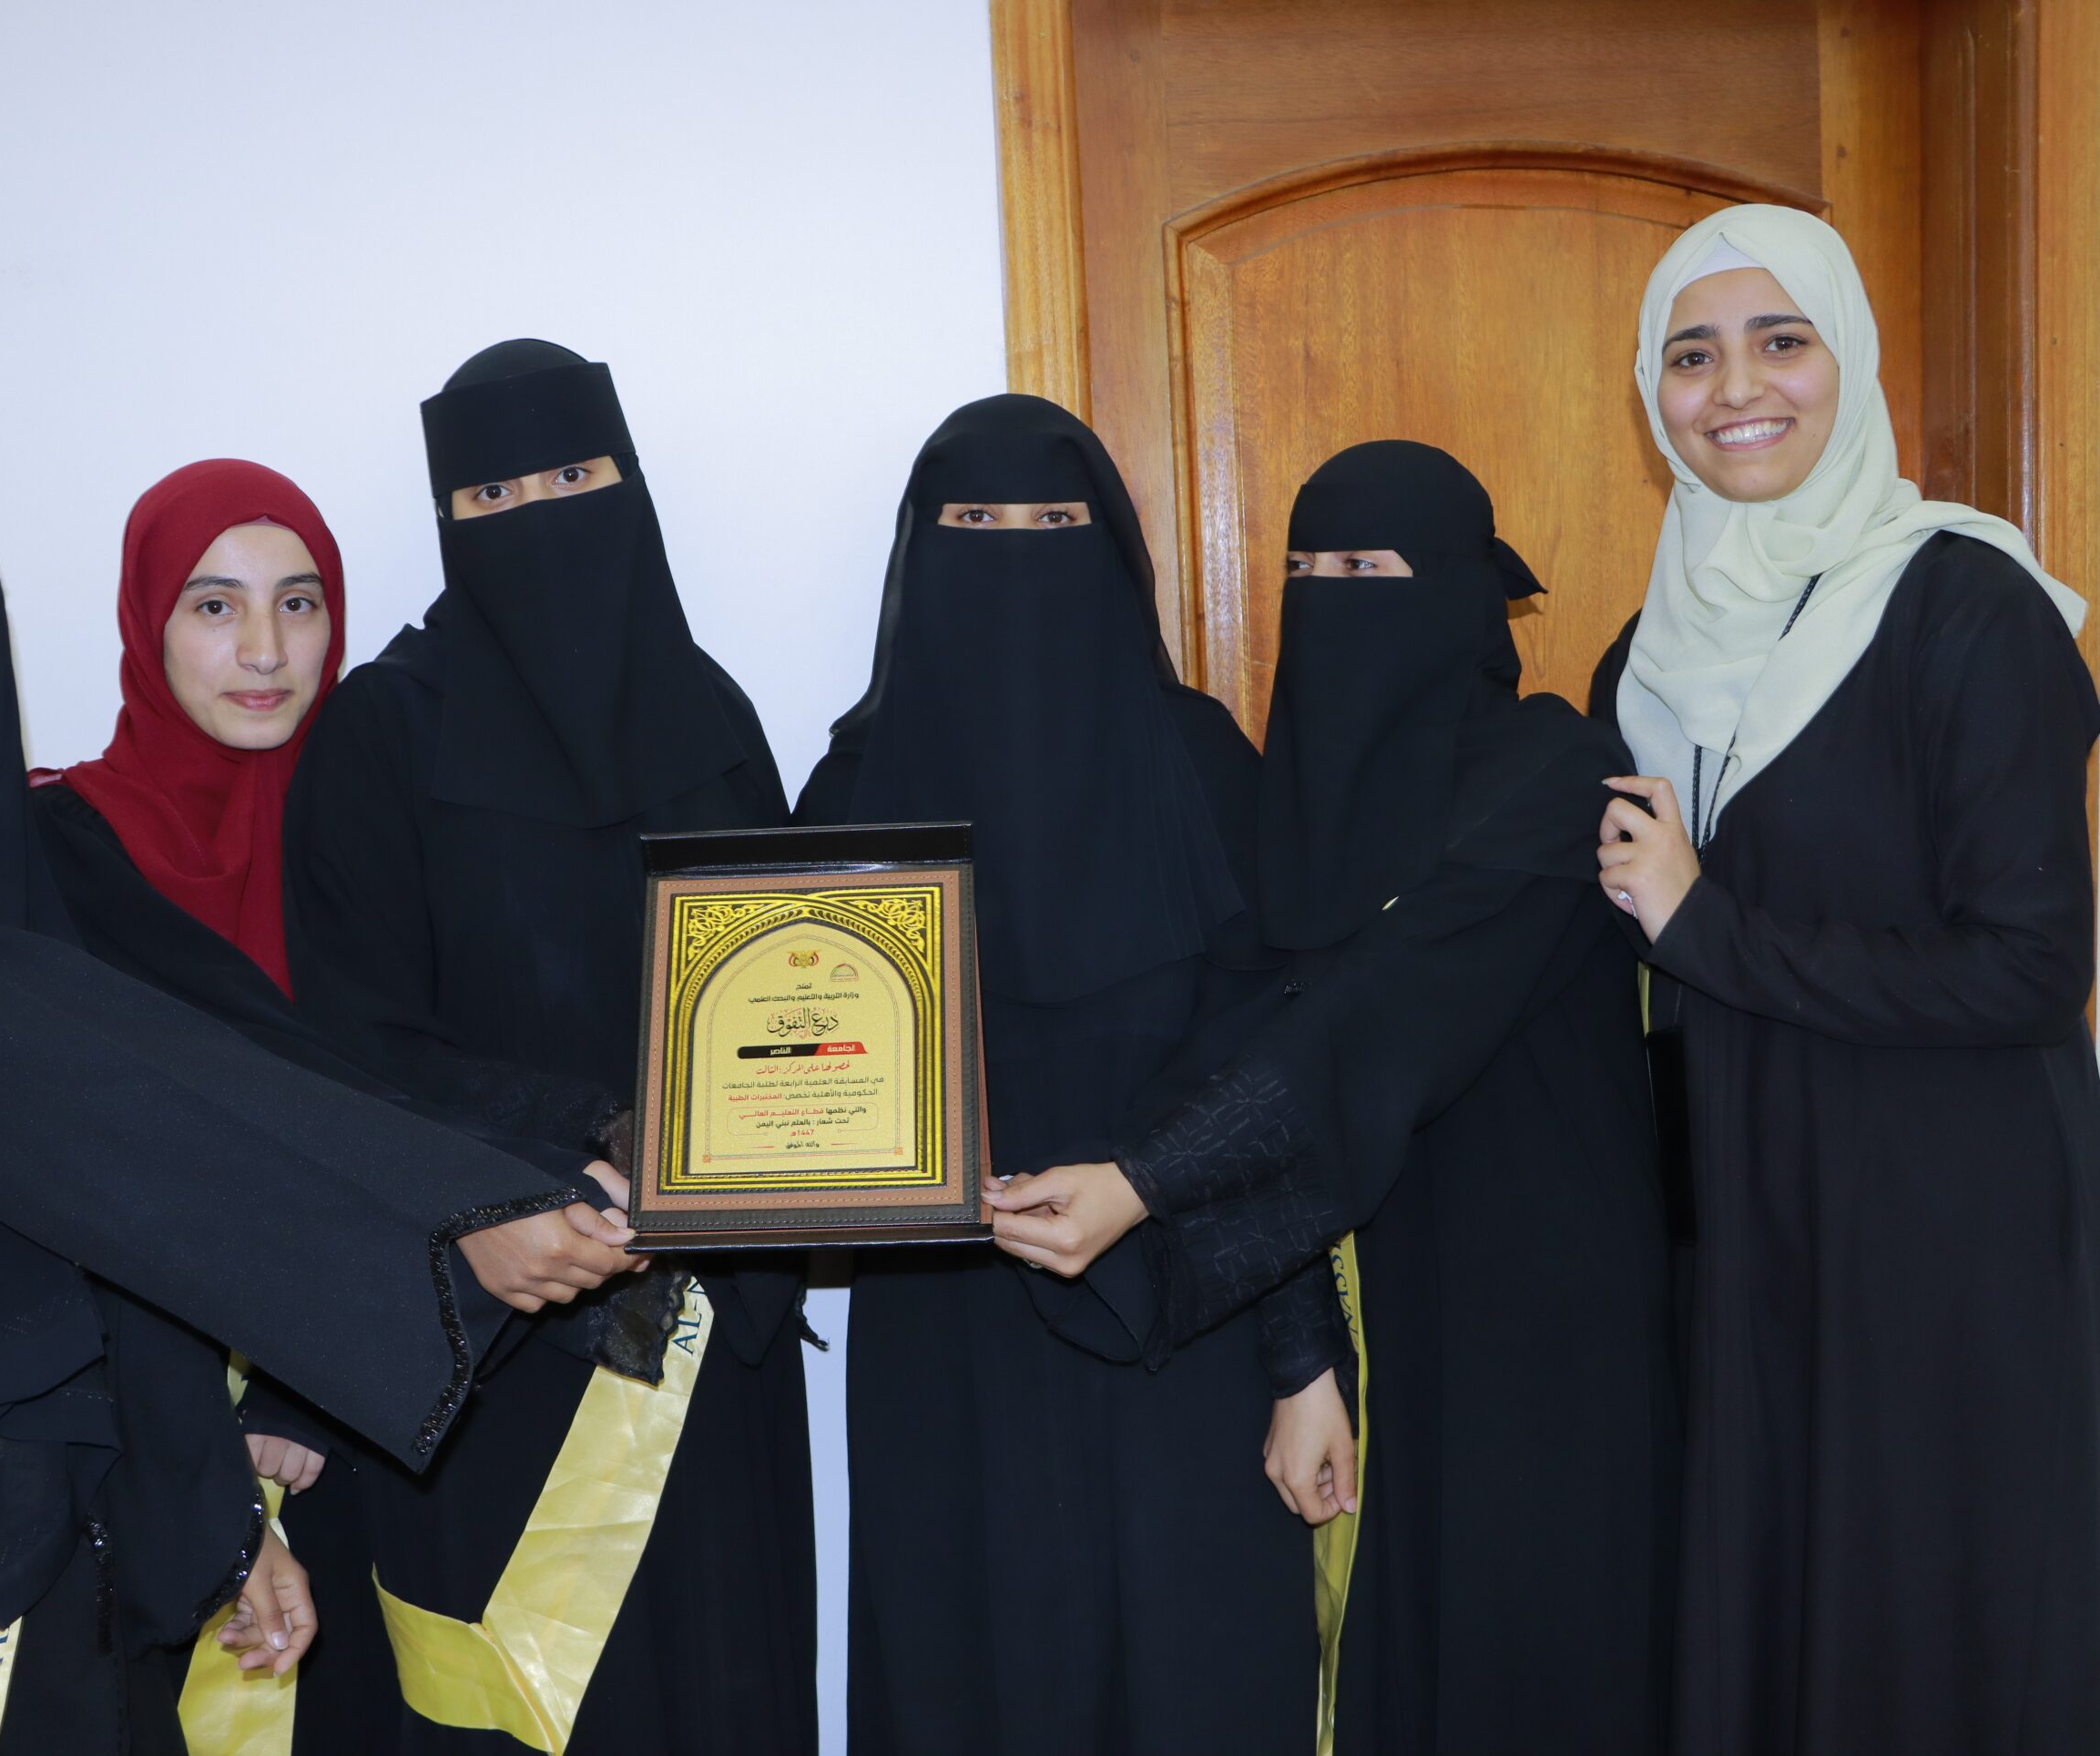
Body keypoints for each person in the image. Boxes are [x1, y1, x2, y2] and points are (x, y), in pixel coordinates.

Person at [0, 446, 610, 1752]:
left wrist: (211, 1507)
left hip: (37, 1479)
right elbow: (104, 1091)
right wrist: (444, 1222)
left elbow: (159, 1145)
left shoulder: (20, 861)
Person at [999, 441, 1677, 1754]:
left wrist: (1145, 1181)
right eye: (1307, 570)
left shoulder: (1555, 775)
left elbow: (1375, 1019)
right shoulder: (1294, 809)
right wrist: (1302, 1361)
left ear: (1464, 593)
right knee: (1385, 1670)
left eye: (1370, 567)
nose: (1333, 599)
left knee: (1535, 1654)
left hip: (1544, 1316)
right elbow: (1264, 1038)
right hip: (1375, 1307)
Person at [26, 457, 652, 1749]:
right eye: (214, 605)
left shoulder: (397, 833)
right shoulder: (58, 851)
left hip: (404, 1404)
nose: (264, 650)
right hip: (153, 1417)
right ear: (147, 621)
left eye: (299, 603)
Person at [1595, 205, 2100, 1755]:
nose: (1736, 387)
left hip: (1944, 1216)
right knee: (1774, 1606)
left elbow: (2032, 967)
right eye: (1692, 355)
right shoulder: (1649, 651)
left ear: (1852, 360)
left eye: (1781, 340)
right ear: (1654, 392)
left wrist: (1707, 929)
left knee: (1929, 1616)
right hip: (1751, 1212)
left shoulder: (1966, 605)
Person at [284, 342, 813, 1753]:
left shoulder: (713, 719)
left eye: (575, 476)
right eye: (495, 494)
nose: (540, 515)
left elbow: (793, 997)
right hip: (498, 1327)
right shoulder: (384, 733)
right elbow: (354, 1042)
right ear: (449, 519)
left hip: (715, 1349)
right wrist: (578, 1139)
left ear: (627, 483)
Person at [795, 393, 1320, 1755]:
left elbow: (1278, 1085)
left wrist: (1305, 1363)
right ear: (924, 548)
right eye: (976, 521)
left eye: (1053, 520)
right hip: (944, 1351)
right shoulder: (854, 788)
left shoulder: (1202, 764)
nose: (1015, 551)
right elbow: (787, 1078)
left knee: (1193, 1681)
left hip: (1179, 1323)